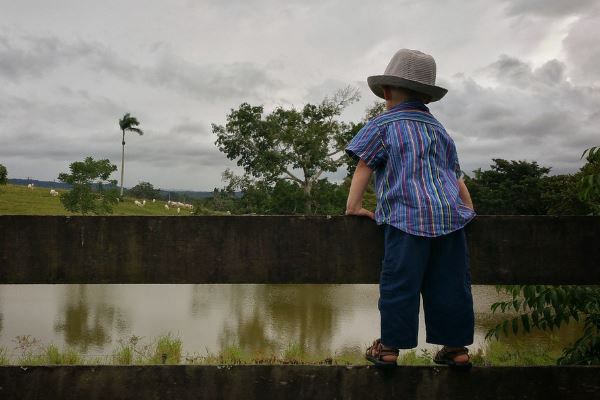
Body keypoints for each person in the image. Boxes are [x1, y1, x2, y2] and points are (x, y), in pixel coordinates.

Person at [345, 49, 476, 368]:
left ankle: (389, 349)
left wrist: (354, 206)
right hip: (449, 219)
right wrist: (468, 210)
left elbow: (364, 165)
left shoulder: (382, 124)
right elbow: (454, 175)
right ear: (427, 98)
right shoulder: (439, 130)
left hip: (405, 219)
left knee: (399, 284)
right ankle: (456, 350)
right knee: (451, 285)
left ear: (387, 92)